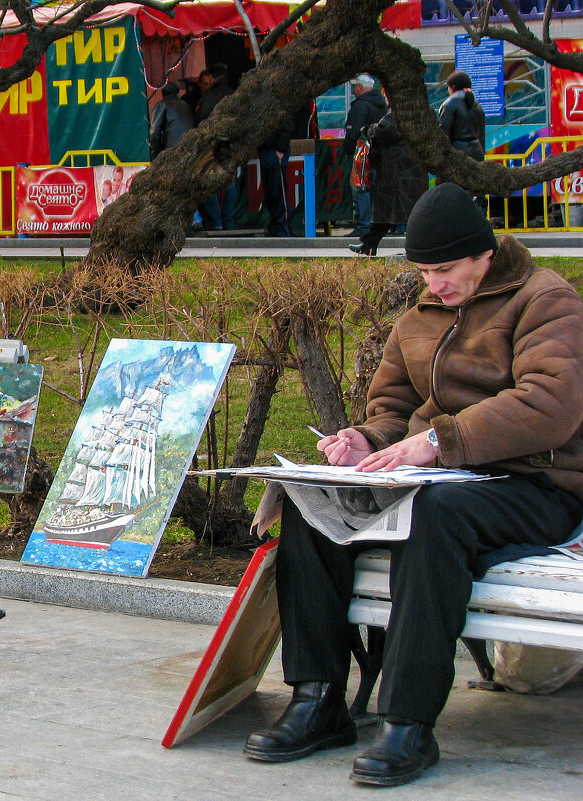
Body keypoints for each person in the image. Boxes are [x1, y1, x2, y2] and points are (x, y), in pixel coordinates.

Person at [244, 183, 583, 787]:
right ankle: (317, 698)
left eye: (447, 269)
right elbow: (393, 408)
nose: (435, 284)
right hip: (440, 477)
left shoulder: (546, 301)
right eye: (425, 271)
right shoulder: (420, 318)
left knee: (434, 514)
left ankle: (406, 722)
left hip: (538, 486)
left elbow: (551, 404)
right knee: (310, 505)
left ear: (484, 255)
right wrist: (366, 442)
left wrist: (438, 442)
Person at [348, 107, 428, 256]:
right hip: (410, 168)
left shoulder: (401, 109)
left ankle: (414, 249)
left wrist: (368, 129)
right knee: (390, 213)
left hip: (398, 169)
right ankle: (368, 244)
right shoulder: (420, 111)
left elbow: (384, 130)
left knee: (400, 211)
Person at [343, 74, 388, 237]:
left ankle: (363, 226)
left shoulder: (360, 106)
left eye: (355, 86)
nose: (354, 89)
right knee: (377, 190)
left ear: (361, 87)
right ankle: (376, 226)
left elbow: (353, 134)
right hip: (381, 154)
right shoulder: (382, 105)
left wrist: (348, 150)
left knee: (361, 188)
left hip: (363, 155)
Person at [195, 64, 236, 231]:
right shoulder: (232, 93)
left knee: (210, 184)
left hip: (213, 146)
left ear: (212, 77)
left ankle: (216, 222)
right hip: (231, 145)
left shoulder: (210, 96)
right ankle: (229, 221)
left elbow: (200, 120)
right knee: (230, 185)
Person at [438, 70, 486, 162]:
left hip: (457, 155)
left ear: (452, 87)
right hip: (477, 153)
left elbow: (443, 133)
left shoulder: (449, 105)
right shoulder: (477, 106)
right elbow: (481, 135)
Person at [149, 83, 194, 159]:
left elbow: (155, 130)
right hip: (190, 148)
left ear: (162, 93)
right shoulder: (185, 105)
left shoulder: (161, 105)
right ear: (177, 93)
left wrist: (154, 154)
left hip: (172, 150)